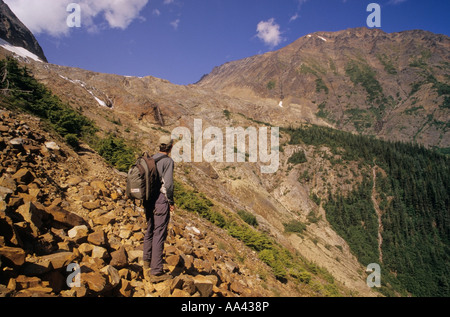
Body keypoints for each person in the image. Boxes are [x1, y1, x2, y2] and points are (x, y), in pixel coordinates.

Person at [143, 135, 175, 283]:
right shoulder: (168, 161)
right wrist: (171, 201)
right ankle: (156, 272)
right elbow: (168, 185)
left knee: (150, 229)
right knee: (159, 233)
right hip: (160, 200)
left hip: (148, 198)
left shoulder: (151, 159)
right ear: (170, 147)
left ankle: (146, 262)